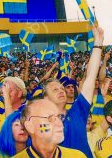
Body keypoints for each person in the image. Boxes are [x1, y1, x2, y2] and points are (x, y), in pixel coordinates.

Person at [43, 26, 104, 157]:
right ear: (45, 99)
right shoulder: (39, 123)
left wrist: (98, 43)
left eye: (61, 88)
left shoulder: (78, 112)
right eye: (55, 89)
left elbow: (91, 77)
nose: (61, 91)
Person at [12, 98, 86, 157]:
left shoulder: (77, 156)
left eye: (59, 117)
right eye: (50, 118)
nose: (60, 123)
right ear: (30, 127)